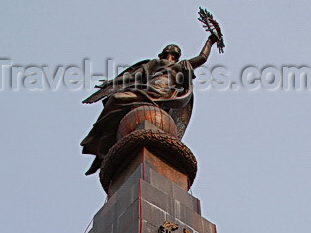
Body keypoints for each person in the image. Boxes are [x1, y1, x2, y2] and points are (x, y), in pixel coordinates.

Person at [81, 34, 219, 175]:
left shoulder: (182, 66)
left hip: (163, 93)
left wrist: (210, 41)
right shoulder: (154, 63)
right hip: (146, 89)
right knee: (116, 98)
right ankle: (102, 150)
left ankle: (103, 152)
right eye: (170, 51)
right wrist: (112, 82)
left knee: (117, 100)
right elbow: (134, 76)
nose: (172, 53)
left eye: (174, 52)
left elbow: (202, 58)